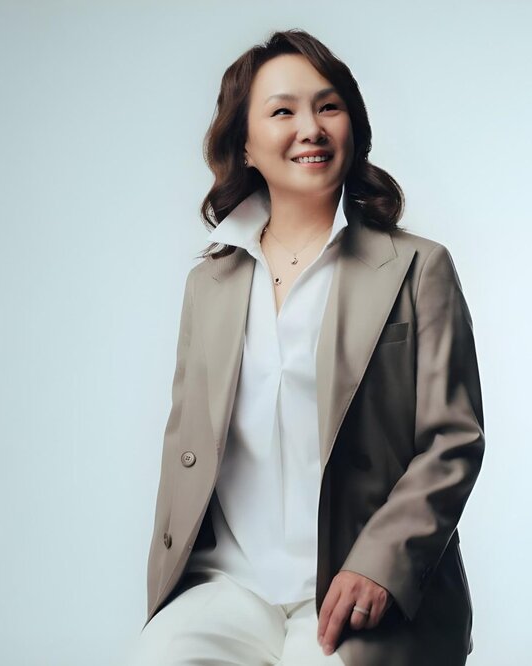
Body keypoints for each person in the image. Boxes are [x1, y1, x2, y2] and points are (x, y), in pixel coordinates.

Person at [134, 29, 485, 665]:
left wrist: (380, 564)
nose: (311, 129)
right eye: (282, 111)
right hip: (227, 582)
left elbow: (452, 440)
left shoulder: (417, 267)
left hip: (357, 582)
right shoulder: (209, 285)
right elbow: (184, 442)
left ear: (353, 124)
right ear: (244, 144)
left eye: (328, 106)